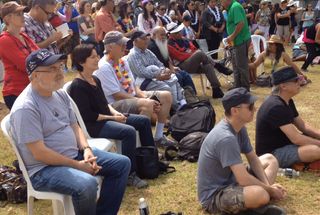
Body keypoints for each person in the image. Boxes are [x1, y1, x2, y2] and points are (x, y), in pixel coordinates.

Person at [10, 48, 130, 215]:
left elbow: (75, 126)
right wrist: (77, 166)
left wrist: (86, 149)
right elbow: (40, 153)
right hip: (44, 170)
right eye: (52, 69)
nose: (59, 72)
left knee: (122, 164)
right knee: (87, 184)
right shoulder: (26, 108)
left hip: (75, 155)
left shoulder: (59, 94)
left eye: (60, 66)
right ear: (35, 75)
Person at [69, 43, 154, 188]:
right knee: (128, 132)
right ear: (81, 62)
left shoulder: (95, 79)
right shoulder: (77, 86)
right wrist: (114, 118)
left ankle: (150, 162)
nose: (97, 59)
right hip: (95, 126)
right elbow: (90, 116)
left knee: (144, 121)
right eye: (93, 57)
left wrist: (116, 113)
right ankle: (130, 175)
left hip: (108, 118)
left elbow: (105, 103)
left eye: (97, 56)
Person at [197, 87, 286, 214]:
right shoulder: (226, 138)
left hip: (233, 181)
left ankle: (258, 198)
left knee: (270, 159)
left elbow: (253, 158)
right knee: (261, 194)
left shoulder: (239, 127)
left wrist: (268, 186)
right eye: (250, 107)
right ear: (234, 111)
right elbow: (243, 178)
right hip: (215, 196)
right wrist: (269, 191)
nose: (254, 109)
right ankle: (258, 200)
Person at [95, 31, 175, 147]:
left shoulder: (123, 61)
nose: (124, 46)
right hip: (115, 104)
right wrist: (145, 100)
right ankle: (142, 145)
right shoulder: (104, 66)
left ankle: (158, 137)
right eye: (121, 44)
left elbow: (133, 85)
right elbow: (116, 95)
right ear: (110, 47)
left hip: (131, 97)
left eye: (124, 43)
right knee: (146, 105)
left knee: (165, 96)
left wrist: (143, 96)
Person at [255, 66, 320, 168]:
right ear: (283, 86)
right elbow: (296, 139)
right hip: (271, 154)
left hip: (285, 145)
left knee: (314, 139)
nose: (299, 83)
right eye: (295, 80)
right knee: (315, 150)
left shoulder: (287, 100)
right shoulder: (276, 106)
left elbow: (303, 126)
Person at [167, 22, 229, 98]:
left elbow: (194, 48)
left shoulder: (183, 39)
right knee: (199, 53)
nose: (179, 33)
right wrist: (192, 54)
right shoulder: (169, 44)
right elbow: (180, 56)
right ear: (171, 35)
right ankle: (218, 66)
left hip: (191, 63)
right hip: (181, 66)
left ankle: (216, 90)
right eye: (176, 33)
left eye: (179, 31)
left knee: (208, 66)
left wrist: (191, 53)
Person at [127, 30, 187, 109]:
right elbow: (141, 72)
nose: (146, 40)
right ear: (135, 41)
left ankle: (182, 104)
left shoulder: (147, 52)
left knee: (174, 80)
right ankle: (176, 107)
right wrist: (159, 75)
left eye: (146, 38)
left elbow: (159, 64)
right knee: (166, 88)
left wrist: (165, 71)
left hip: (155, 77)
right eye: (143, 39)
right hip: (143, 82)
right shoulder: (133, 55)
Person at [0, 1, 39, 109]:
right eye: (18, 14)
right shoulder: (4, 40)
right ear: (8, 19)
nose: (23, 16)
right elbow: (25, 65)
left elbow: (41, 54)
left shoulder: (23, 35)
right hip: (16, 93)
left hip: (31, 88)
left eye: (22, 13)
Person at [149, 26, 196, 92]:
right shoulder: (152, 47)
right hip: (160, 73)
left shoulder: (160, 43)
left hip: (168, 69)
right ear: (154, 35)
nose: (164, 37)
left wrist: (172, 67)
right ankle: (182, 99)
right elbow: (158, 65)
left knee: (185, 74)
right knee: (178, 76)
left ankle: (192, 96)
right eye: (161, 35)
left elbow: (167, 59)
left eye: (165, 35)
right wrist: (170, 71)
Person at [221, 0, 251, 91]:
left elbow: (240, 23)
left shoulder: (235, 7)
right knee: (236, 66)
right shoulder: (231, 8)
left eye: (222, 1)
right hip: (236, 42)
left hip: (240, 41)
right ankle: (237, 87)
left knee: (241, 66)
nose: (221, 4)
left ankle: (245, 89)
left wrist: (232, 36)